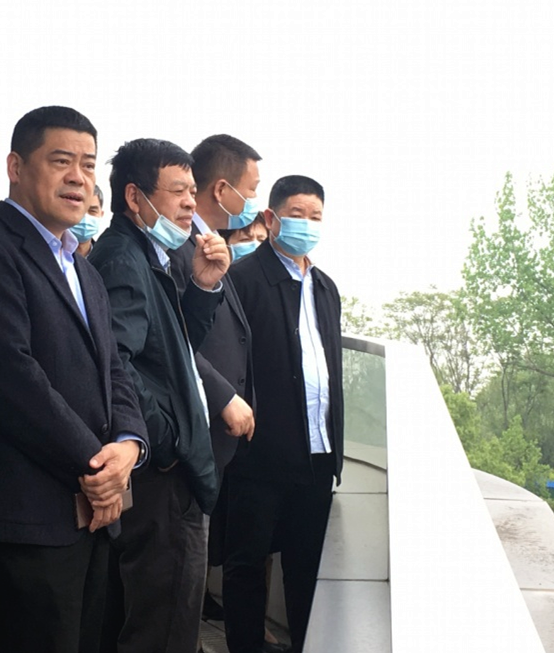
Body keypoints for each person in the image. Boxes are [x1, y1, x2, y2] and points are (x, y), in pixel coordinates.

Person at [0, 106, 148, 653]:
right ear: (16, 166)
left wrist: (129, 446)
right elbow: (12, 381)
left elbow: (114, 368)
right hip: (26, 519)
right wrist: (97, 468)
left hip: (92, 511)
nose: (78, 177)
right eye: (60, 161)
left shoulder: (80, 266)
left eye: (88, 164)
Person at [88, 137, 229, 653]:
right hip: (163, 478)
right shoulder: (123, 260)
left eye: (192, 191)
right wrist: (167, 442)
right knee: (164, 627)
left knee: (156, 616)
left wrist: (204, 287)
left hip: (167, 469)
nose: (191, 203)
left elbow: (171, 353)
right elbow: (116, 365)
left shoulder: (151, 255)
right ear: (135, 197)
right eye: (178, 192)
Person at [222, 175, 344, 653]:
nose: (307, 224)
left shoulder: (326, 288)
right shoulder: (243, 279)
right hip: (260, 452)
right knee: (247, 564)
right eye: (297, 214)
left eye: (316, 217)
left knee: (306, 568)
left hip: (317, 454)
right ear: (271, 218)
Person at [166, 134, 261, 630]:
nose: (254, 202)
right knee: (175, 584)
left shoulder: (211, 246)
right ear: (222, 190)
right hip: (189, 437)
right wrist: (224, 396)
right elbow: (172, 337)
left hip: (214, 441)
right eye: (252, 189)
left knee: (189, 575)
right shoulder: (179, 249)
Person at [73, 184, 104, 257]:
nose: (85, 217)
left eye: (92, 211)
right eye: (79, 210)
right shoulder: (52, 254)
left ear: (101, 214)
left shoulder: (107, 257)